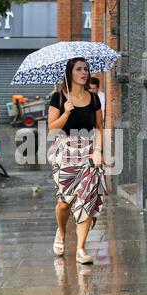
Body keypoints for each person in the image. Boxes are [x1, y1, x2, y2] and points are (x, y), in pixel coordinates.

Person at [48, 57, 106, 265]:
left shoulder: (94, 98)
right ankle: (61, 232)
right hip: (65, 152)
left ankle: (81, 248)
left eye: (86, 69)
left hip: (90, 153)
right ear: (69, 73)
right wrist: (66, 113)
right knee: (65, 202)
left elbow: (100, 127)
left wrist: (99, 151)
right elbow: (52, 129)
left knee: (87, 201)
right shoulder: (58, 98)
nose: (84, 72)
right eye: (79, 69)